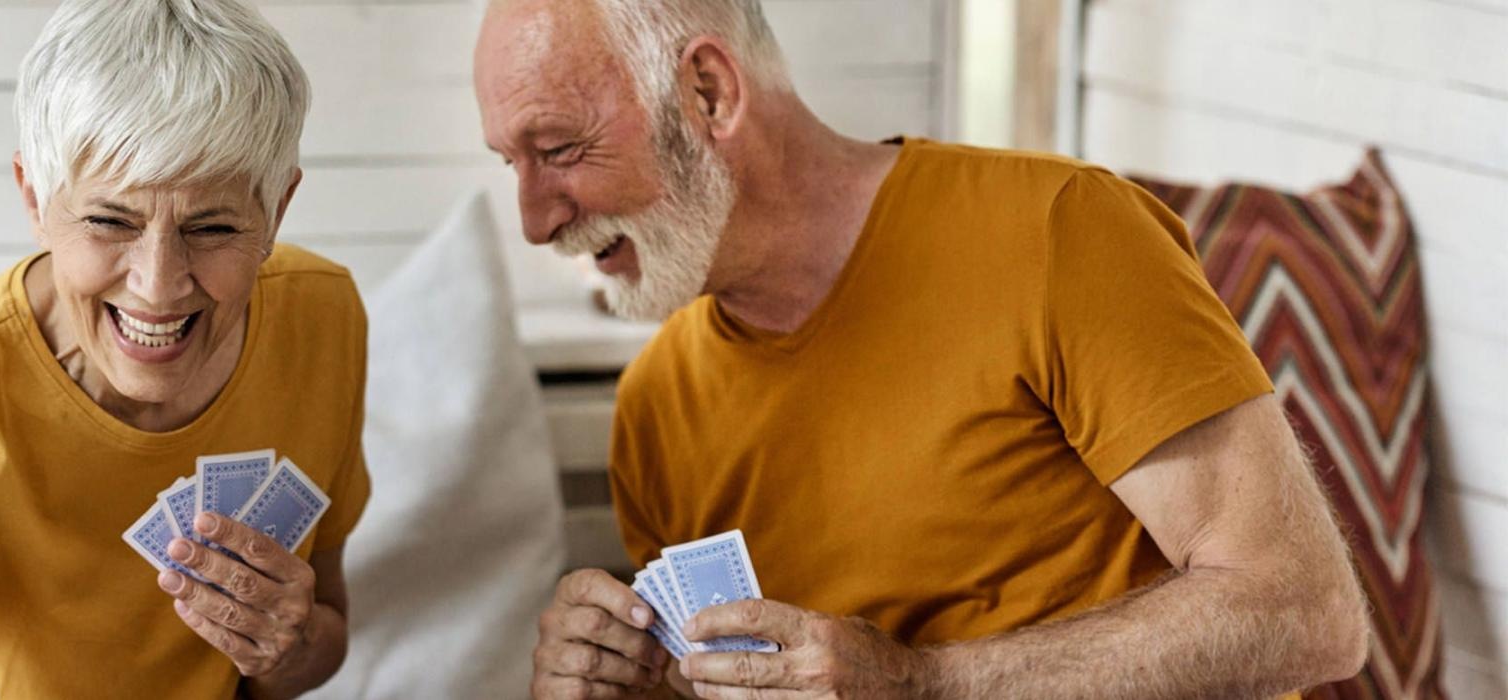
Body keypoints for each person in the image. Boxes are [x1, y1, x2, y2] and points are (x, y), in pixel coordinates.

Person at [472, 1, 1370, 697]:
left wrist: (926, 684)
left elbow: (1303, 609)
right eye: (512, 164)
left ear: (708, 92)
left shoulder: (1061, 233)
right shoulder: (658, 404)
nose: (535, 219)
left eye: (558, 149)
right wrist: (614, 679)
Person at [0, 1, 370, 697]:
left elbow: (316, 649)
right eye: (109, 220)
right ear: (35, 200)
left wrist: (285, 645)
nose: (158, 284)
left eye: (210, 227)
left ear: (276, 211)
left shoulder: (322, 319)